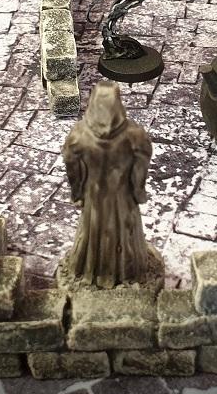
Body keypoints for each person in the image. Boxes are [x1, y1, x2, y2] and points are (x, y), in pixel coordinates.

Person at [60, 81, 160, 289]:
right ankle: (127, 271)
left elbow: (72, 167)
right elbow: (141, 166)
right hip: (123, 196)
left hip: (94, 197)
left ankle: (92, 270)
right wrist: (138, 191)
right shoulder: (134, 135)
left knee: (92, 232)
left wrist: (78, 192)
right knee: (125, 233)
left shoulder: (79, 136)